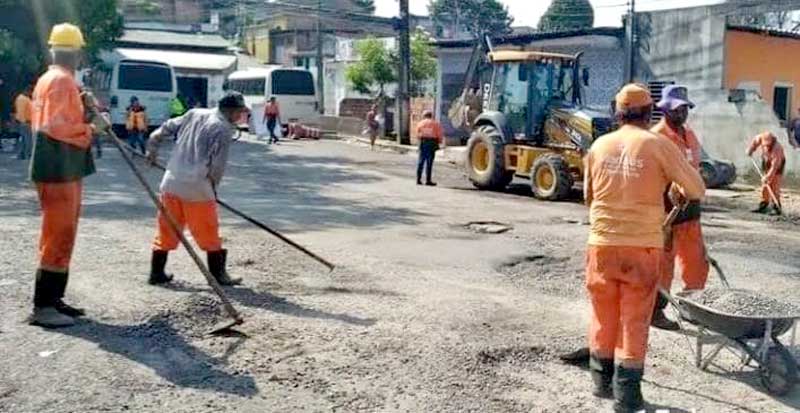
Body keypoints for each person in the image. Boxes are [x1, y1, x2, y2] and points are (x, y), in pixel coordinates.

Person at [584, 84, 705, 412]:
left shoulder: (598, 145)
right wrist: (675, 183)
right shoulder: (658, 145)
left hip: (602, 244)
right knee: (634, 319)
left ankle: (601, 381)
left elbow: (589, 197)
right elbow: (697, 189)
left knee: (603, 313)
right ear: (649, 112)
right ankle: (627, 396)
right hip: (641, 248)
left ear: (618, 113)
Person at [28, 23, 96, 328]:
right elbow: (55, 127)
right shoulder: (61, 82)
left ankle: (54, 300)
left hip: (60, 166)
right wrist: (91, 129)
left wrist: (84, 108)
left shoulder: (52, 79)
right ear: (77, 53)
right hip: (58, 168)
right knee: (58, 233)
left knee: (62, 233)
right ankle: (43, 306)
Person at [145, 91, 249, 287]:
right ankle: (218, 276)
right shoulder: (222, 129)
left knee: (167, 230)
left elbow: (160, 131)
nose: (240, 117)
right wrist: (213, 191)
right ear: (231, 111)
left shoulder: (194, 113)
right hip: (197, 188)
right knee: (208, 232)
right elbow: (217, 167)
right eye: (239, 113)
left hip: (171, 182)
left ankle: (156, 273)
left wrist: (151, 148)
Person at [649, 85, 709, 331]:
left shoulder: (690, 135)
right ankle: (656, 310)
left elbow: (694, 166)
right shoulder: (656, 136)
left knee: (696, 262)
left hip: (691, 210)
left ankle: (689, 307)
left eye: (685, 108)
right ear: (665, 109)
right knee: (664, 264)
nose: (682, 113)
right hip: (667, 211)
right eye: (677, 109)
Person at [747, 131, 785, 215]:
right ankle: (764, 204)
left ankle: (776, 206)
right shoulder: (761, 138)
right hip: (766, 161)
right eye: (765, 145)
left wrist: (768, 176)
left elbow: (775, 166)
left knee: (774, 184)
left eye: (768, 145)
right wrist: (751, 149)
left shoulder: (777, 149)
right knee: (765, 185)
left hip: (777, 165)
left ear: (772, 141)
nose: (766, 147)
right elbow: (755, 142)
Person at [415, 110, 443, 186]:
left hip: (423, 142)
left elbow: (417, 133)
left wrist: (419, 141)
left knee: (421, 161)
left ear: (424, 116)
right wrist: (439, 142)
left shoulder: (420, 123)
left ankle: (418, 179)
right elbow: (439, 134)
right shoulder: (435, 123)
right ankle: (428, 180)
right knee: (429, 162)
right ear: (431, 116)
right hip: (432, 143)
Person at [13, 87, 33, 160]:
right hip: (26, 122)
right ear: (27, 91)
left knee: (24, 139)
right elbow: (21, 111)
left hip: (26, 122)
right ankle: (28, 155)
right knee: (28, 140)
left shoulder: (24, 99)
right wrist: (23, 121)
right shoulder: (22, 99)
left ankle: (22, 155)